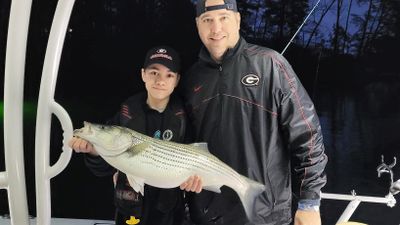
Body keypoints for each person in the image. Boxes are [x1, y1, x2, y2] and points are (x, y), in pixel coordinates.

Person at [179, 0, 328, 224]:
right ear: (197, 25)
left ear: (237, 20)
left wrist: (309, 201)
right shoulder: (190, 80)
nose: (216, 28)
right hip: (207, 216)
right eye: (207, 20)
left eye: (223, 18)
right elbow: (183, 145)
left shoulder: (271, 65)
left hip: (266, 216)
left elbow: (308, 135)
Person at [69, 46, 202, 225]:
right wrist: (93, 152)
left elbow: (195, 162)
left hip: (169, 214)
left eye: (169, 75)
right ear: (143, 74)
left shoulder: (185, 117)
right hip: (130, 212)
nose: (160, 80)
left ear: (177, 80)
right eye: (154, 72)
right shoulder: (126, 112)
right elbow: (102, 169)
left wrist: (194, 182)